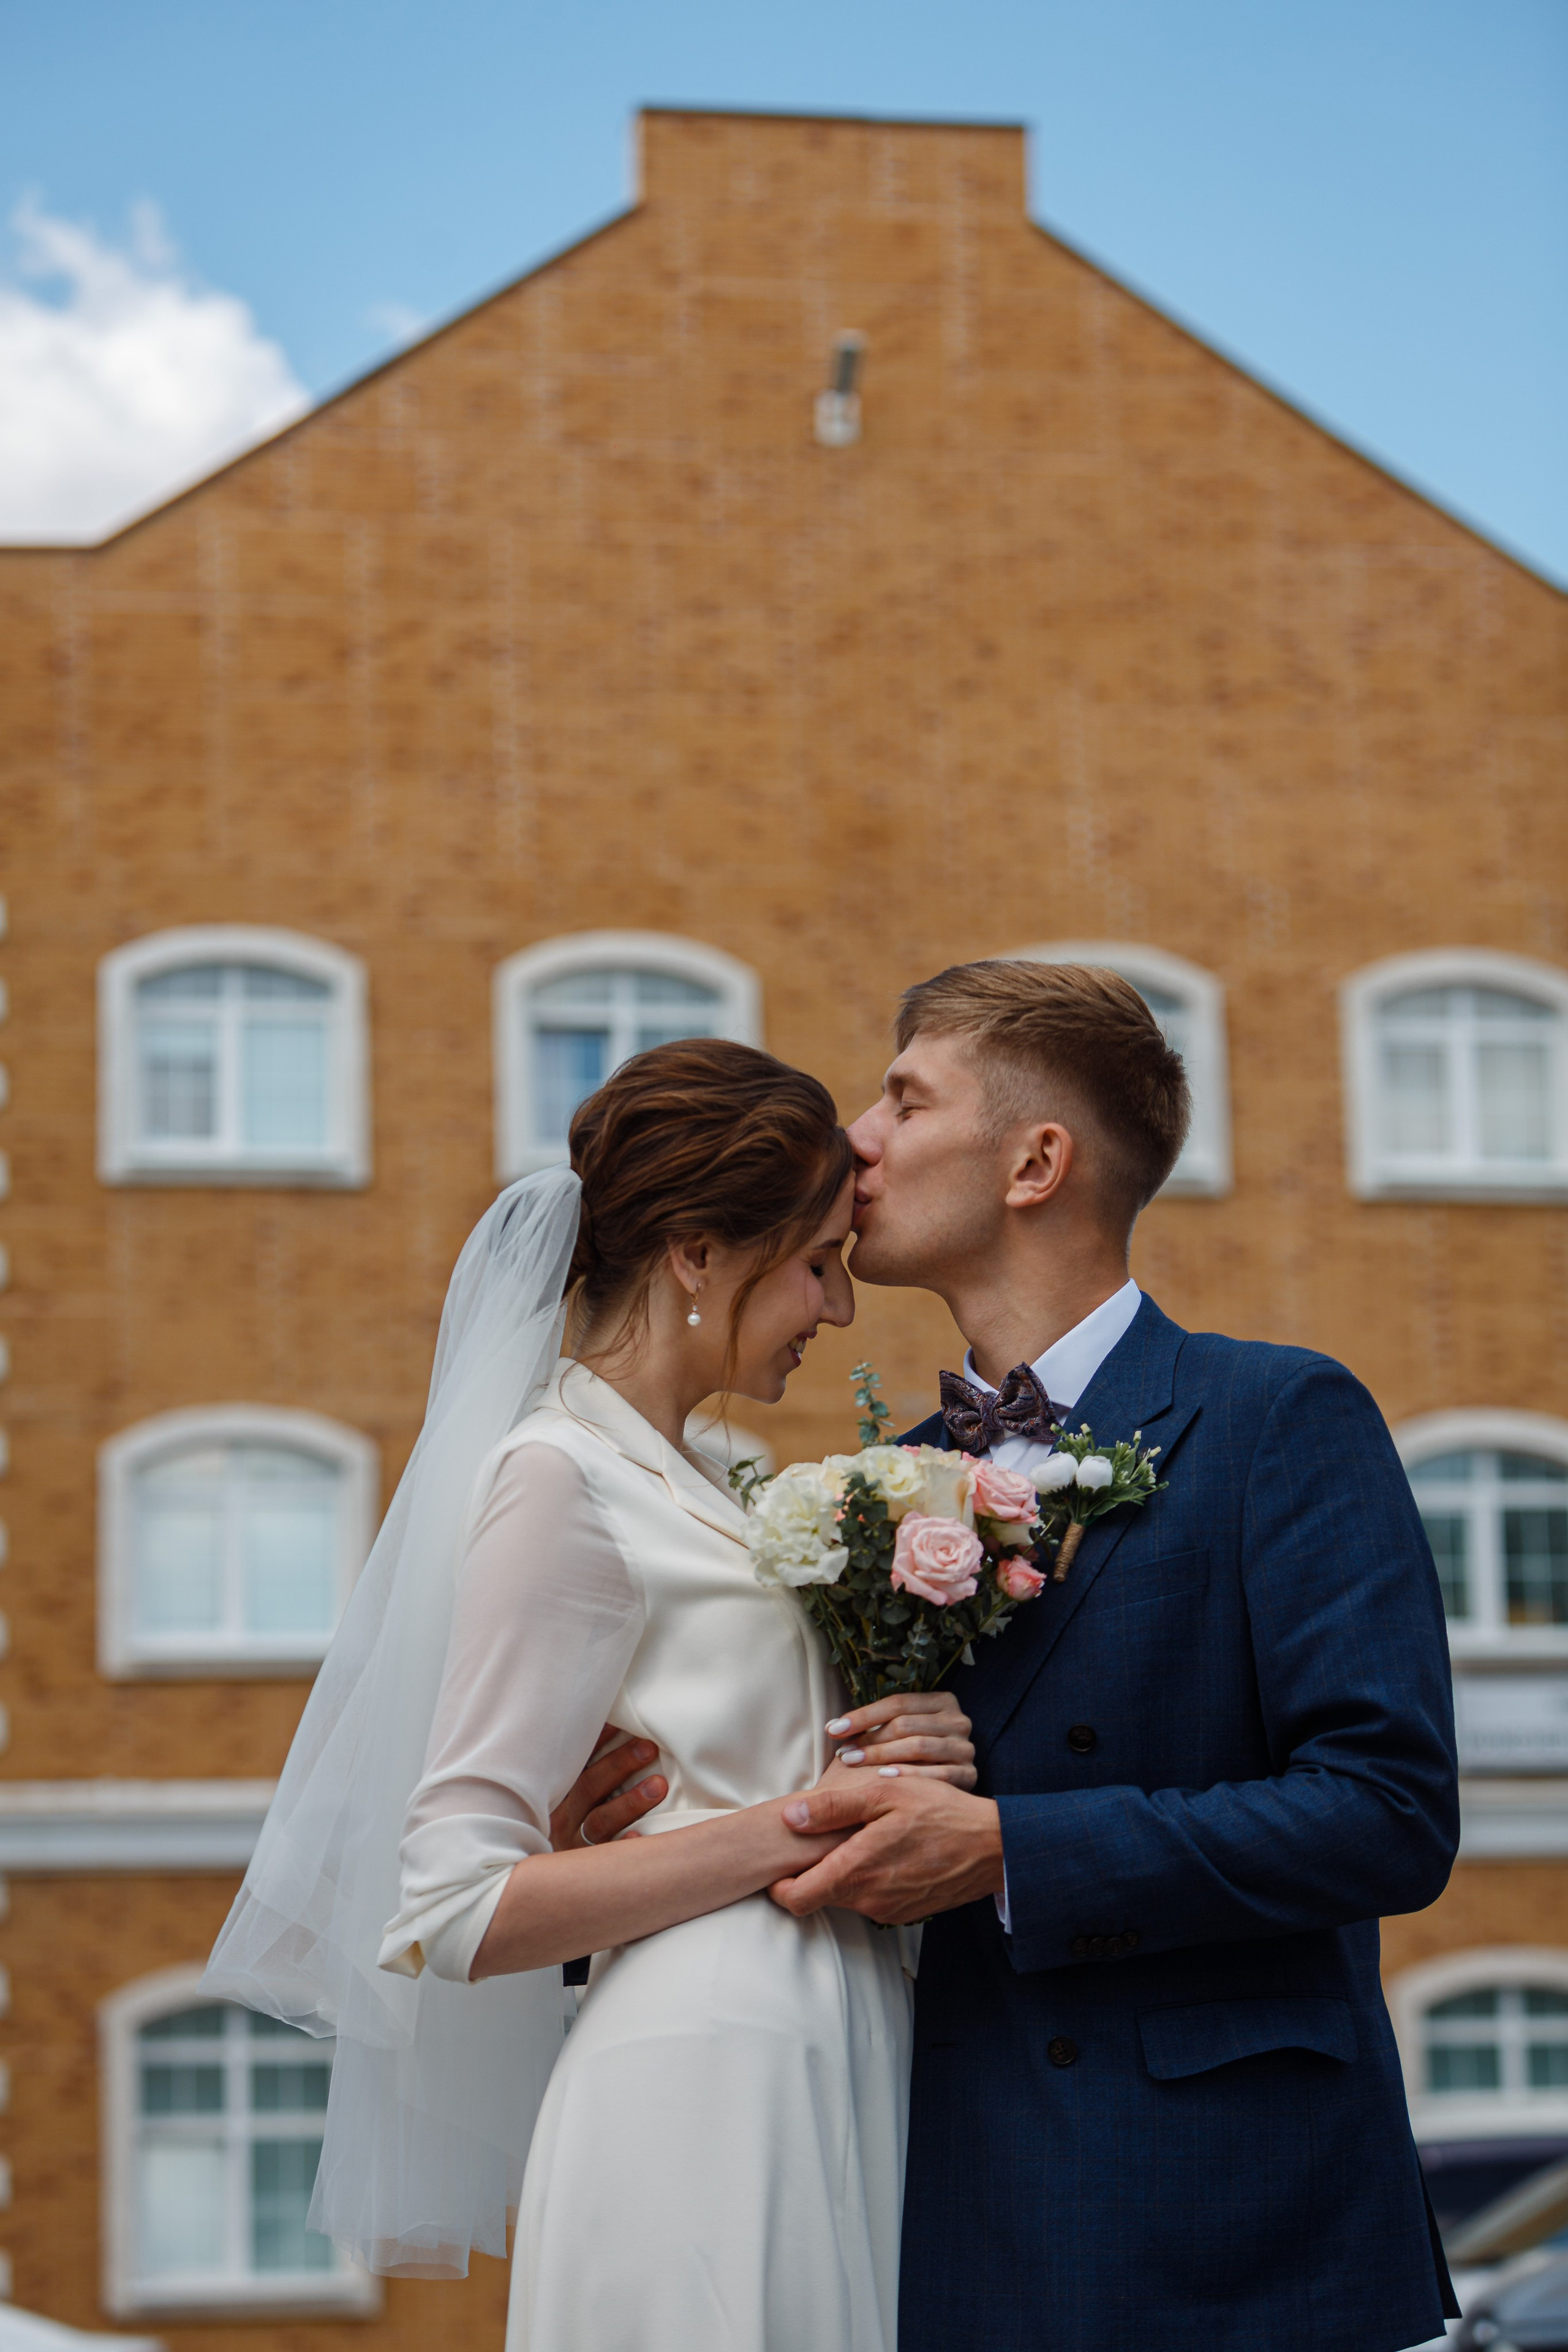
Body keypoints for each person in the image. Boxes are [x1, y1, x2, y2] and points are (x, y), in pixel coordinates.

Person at [205, 1038, 973, 2352]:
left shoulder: (694, 1478)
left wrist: (909, 1737)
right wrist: (803, 1822)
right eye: (816, 1264)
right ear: (697, 1254)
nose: (839, 1309)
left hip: (830, 2042)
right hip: (704, 2075)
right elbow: (452, 1904)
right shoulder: (556, 1476)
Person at [752, 959, 1463, 2352]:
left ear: (1035, 1163)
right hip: (956, 2219)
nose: (855, 1141)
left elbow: (1385, 1813)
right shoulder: (874, 1487)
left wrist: (1008, 1850)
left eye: (903, 1100)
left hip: (1233, 2235)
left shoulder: (1276, 1415)